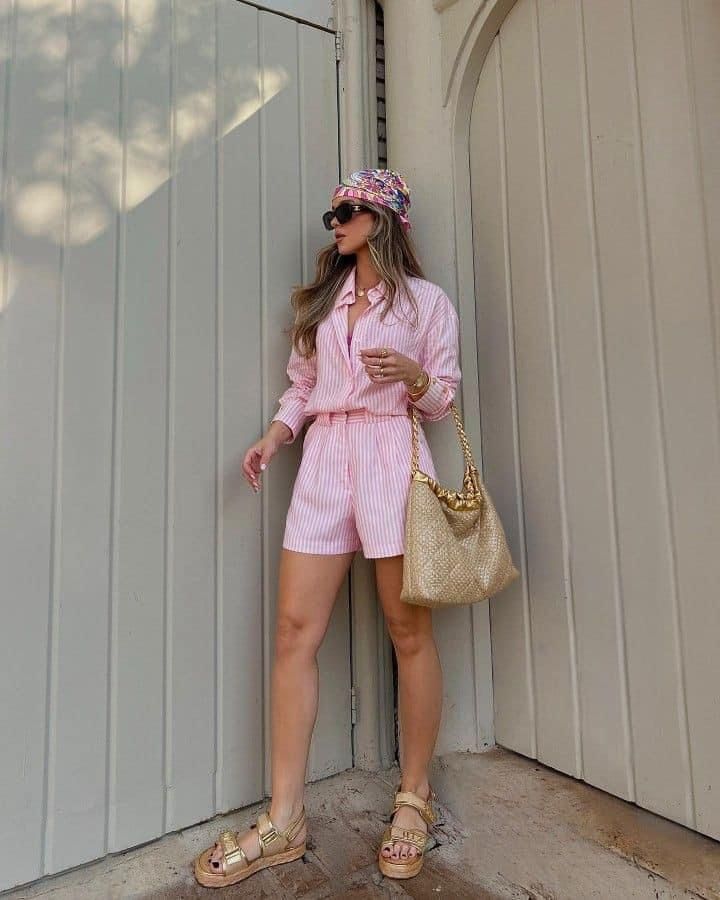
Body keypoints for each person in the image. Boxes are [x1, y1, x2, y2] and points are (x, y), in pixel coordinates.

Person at [194, 169, 461, 887]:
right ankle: (286, 817)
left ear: (382, 218)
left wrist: (411, 374)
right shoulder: (323, 302)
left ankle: (414, 798)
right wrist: (275, 435)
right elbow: (303, 385)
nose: (334, 222)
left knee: (408, 630)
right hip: (323, 458)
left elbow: (442, 400)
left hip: (390, 451)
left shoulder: (426, 303)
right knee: (293, 631)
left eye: (345, 210)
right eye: (333, 213)